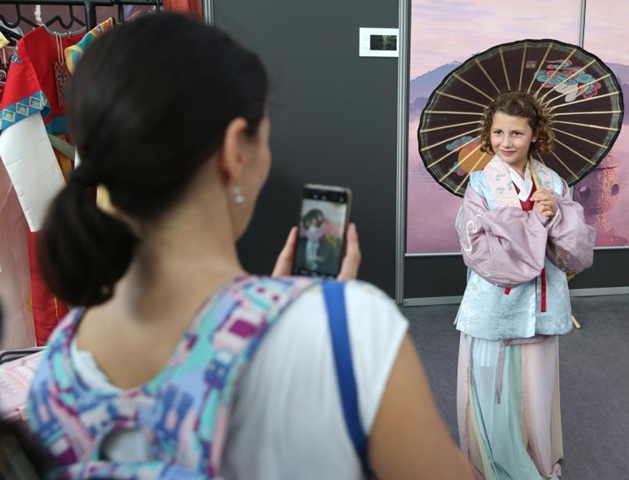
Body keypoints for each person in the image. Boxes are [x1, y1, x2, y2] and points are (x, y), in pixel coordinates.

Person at [26, 13, 471, 479]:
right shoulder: (347, 328)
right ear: (236, 149)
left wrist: (277, 304)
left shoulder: (57, 366)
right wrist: (304, 311)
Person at [455, 91, 596, 479]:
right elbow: (477, 249)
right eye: (497, 132)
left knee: (535, 391)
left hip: (542, 304)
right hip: (491, 305)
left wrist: (558, 216)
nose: (505, 142)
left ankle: (535, 460)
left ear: (535, 134)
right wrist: (532, 222)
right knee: (490, 390)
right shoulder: (480, 184)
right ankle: (490, 465)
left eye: (516, 133)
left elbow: (576, 255)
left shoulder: (553, 182)